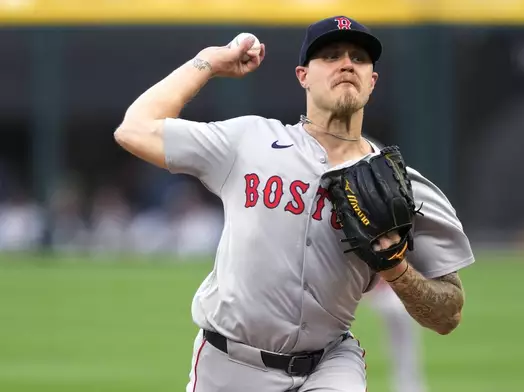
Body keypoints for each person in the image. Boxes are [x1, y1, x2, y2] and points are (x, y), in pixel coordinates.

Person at [114, 15, 475, 392]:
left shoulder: (403, 188)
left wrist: (397, 269)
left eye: (359, 58)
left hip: (330, 365)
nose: (346, 63)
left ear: (372, 80)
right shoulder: (248, 142)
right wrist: (208, 62)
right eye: (331, 56)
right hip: (229, 364)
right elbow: (134, 130)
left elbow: (448, 314)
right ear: (303, 75)